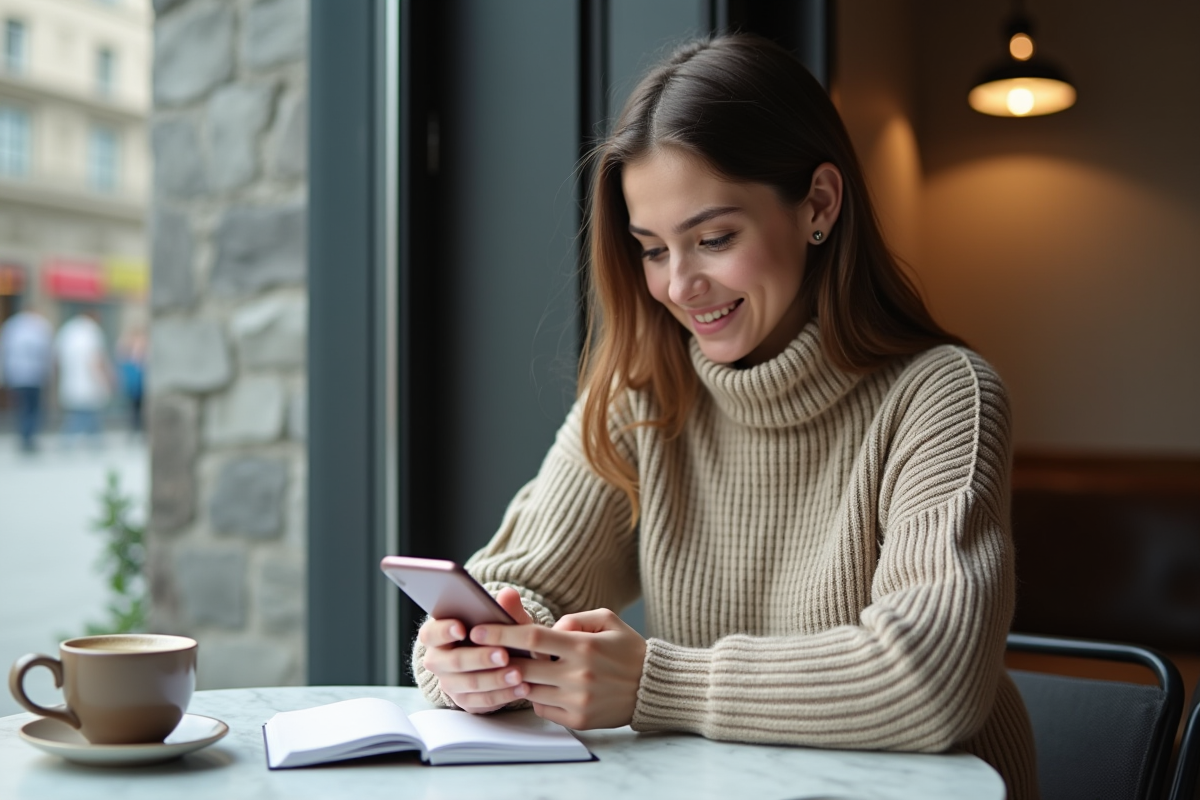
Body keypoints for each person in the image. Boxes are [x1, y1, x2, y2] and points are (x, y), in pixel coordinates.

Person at [412, 34, 1037, 799]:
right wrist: (480, 652)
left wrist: (653, 684)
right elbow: (519, 580)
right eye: (651, 249)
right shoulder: (645, 396)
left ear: (819, 205)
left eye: (713, 239)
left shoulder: (942, 397)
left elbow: (930, 677)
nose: (680, 286)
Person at [0, 305, 54, 452]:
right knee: (33, 408)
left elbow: (5, 351)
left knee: (22, 408)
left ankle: (24, 436)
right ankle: (28, 438)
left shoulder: (11, 325)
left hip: (17, 375)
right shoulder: (41, 325)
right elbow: (47, 352)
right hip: (35, 375)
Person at [54, 310, 113, 446]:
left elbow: (56, 359)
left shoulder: (67, 330)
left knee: (83, 412)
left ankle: (94, 440)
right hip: (89, 382)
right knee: (85, 413)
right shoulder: (92, 331)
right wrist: (106, 378)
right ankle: (71, 440)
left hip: (71, 381)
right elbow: (95, 359)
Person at [116, 325, 147, 435]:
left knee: (139, 407)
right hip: (135, 382)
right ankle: (136, 429)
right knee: (135, 407)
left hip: (139, 381)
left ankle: (138, 429)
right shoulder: (128, 347)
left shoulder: (140, 346)